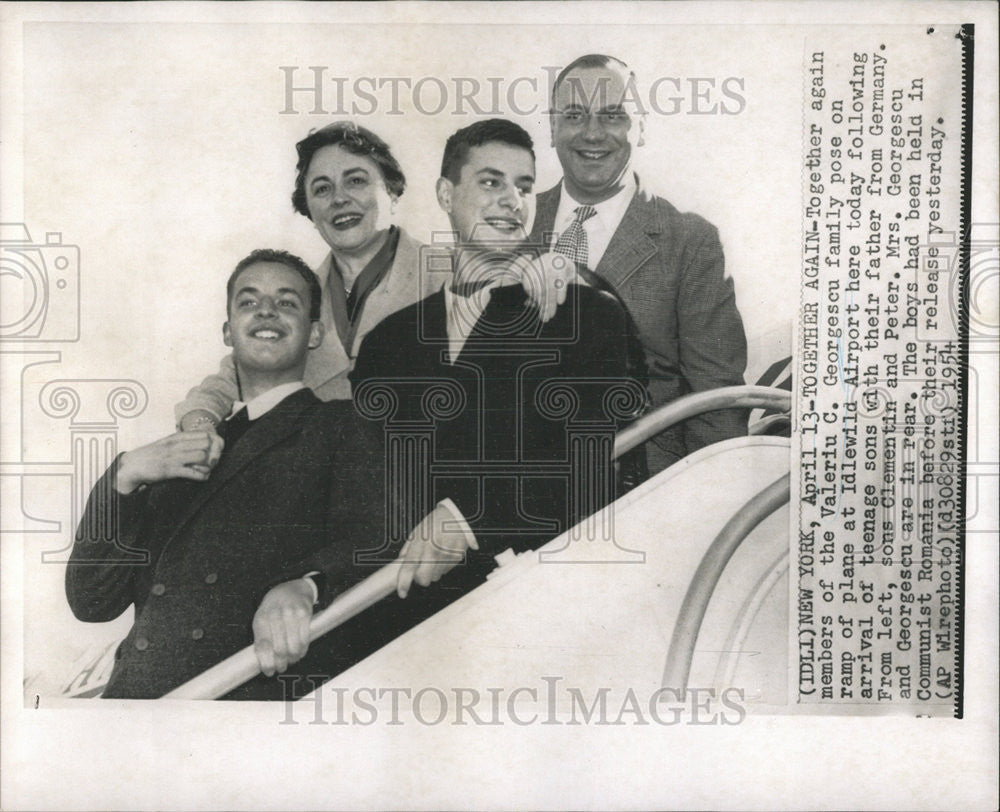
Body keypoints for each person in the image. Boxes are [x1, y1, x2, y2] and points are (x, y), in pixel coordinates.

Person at [346, 119, 645, 653]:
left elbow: (596, 471)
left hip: (537, 623)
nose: (512, 201)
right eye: (490, 182)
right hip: (398, 632)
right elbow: (362, 494)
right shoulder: (387, 344)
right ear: (445, 193)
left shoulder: (585, 314)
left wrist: (468, 520)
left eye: (525, 187)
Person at [65, 249, 389, 699]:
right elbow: (92, 601)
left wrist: (307, 584)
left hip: (242, 698)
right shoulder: (177, 454)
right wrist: (124, 476)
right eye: (248, 301)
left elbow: (377, 536)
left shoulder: (339, 425)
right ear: (227, 330)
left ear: (314, 333)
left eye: (287, 302)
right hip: (135, 705)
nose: (266, 312)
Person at [526, 53, 748, 474]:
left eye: (613, 116)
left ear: (640, 127)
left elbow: (717, 407)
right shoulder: (510, 224)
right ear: (552, 127)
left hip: (638, 490)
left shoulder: (690, 241)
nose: (592, 134)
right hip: (513, 485)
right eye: (574, 115)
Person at [175, 122, 443, 430]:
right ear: (309, 210)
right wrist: (200, 421)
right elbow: (232, 376)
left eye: (355, 180)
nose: (339, 199)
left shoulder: (453, 276)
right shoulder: (293, 298)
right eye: (322, 188)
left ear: (393, 192)